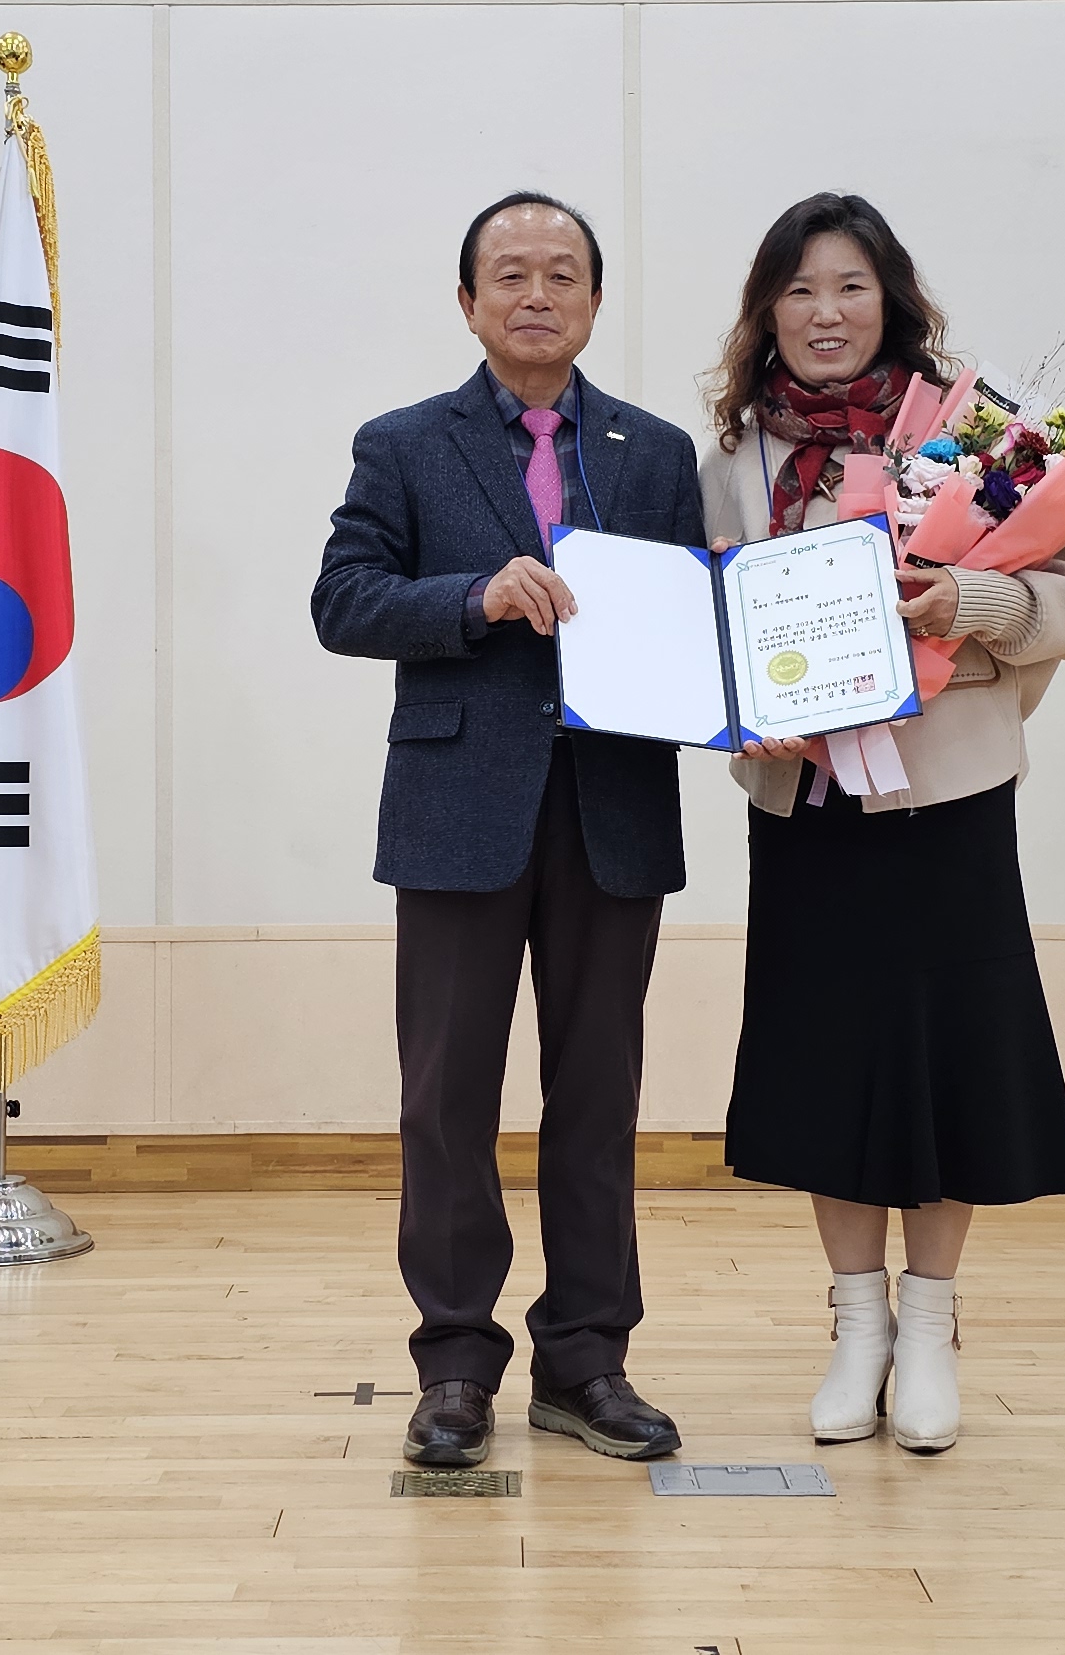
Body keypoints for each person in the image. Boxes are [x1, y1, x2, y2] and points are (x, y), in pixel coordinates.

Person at [703, 194, 1065, 1453]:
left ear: (892, 301)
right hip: (809, 809)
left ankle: (930, 1323)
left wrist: (959, 602)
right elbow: (716, 633)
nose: (824, 313)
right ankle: (857, 1325)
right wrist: (744, 717)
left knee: (949, 1058)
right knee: (828, 1060)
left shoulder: (973, 436)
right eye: (798, 290)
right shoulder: (735, 458)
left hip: (948, 800)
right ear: (767, 312)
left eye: (850, 287)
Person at [312, 193, 707, 1467]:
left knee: (597, 1098)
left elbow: (691, 624)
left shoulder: (654, 452)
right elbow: (343, 600)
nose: (537, 294)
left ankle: (587, 1360)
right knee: (446, 1101)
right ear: (468, 300)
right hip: (455, 811)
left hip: (613, 810)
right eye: (511, 274)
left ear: (594, 299)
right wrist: (474, 597)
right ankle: (453, 1363)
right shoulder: (403, 443)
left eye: (562, 274)